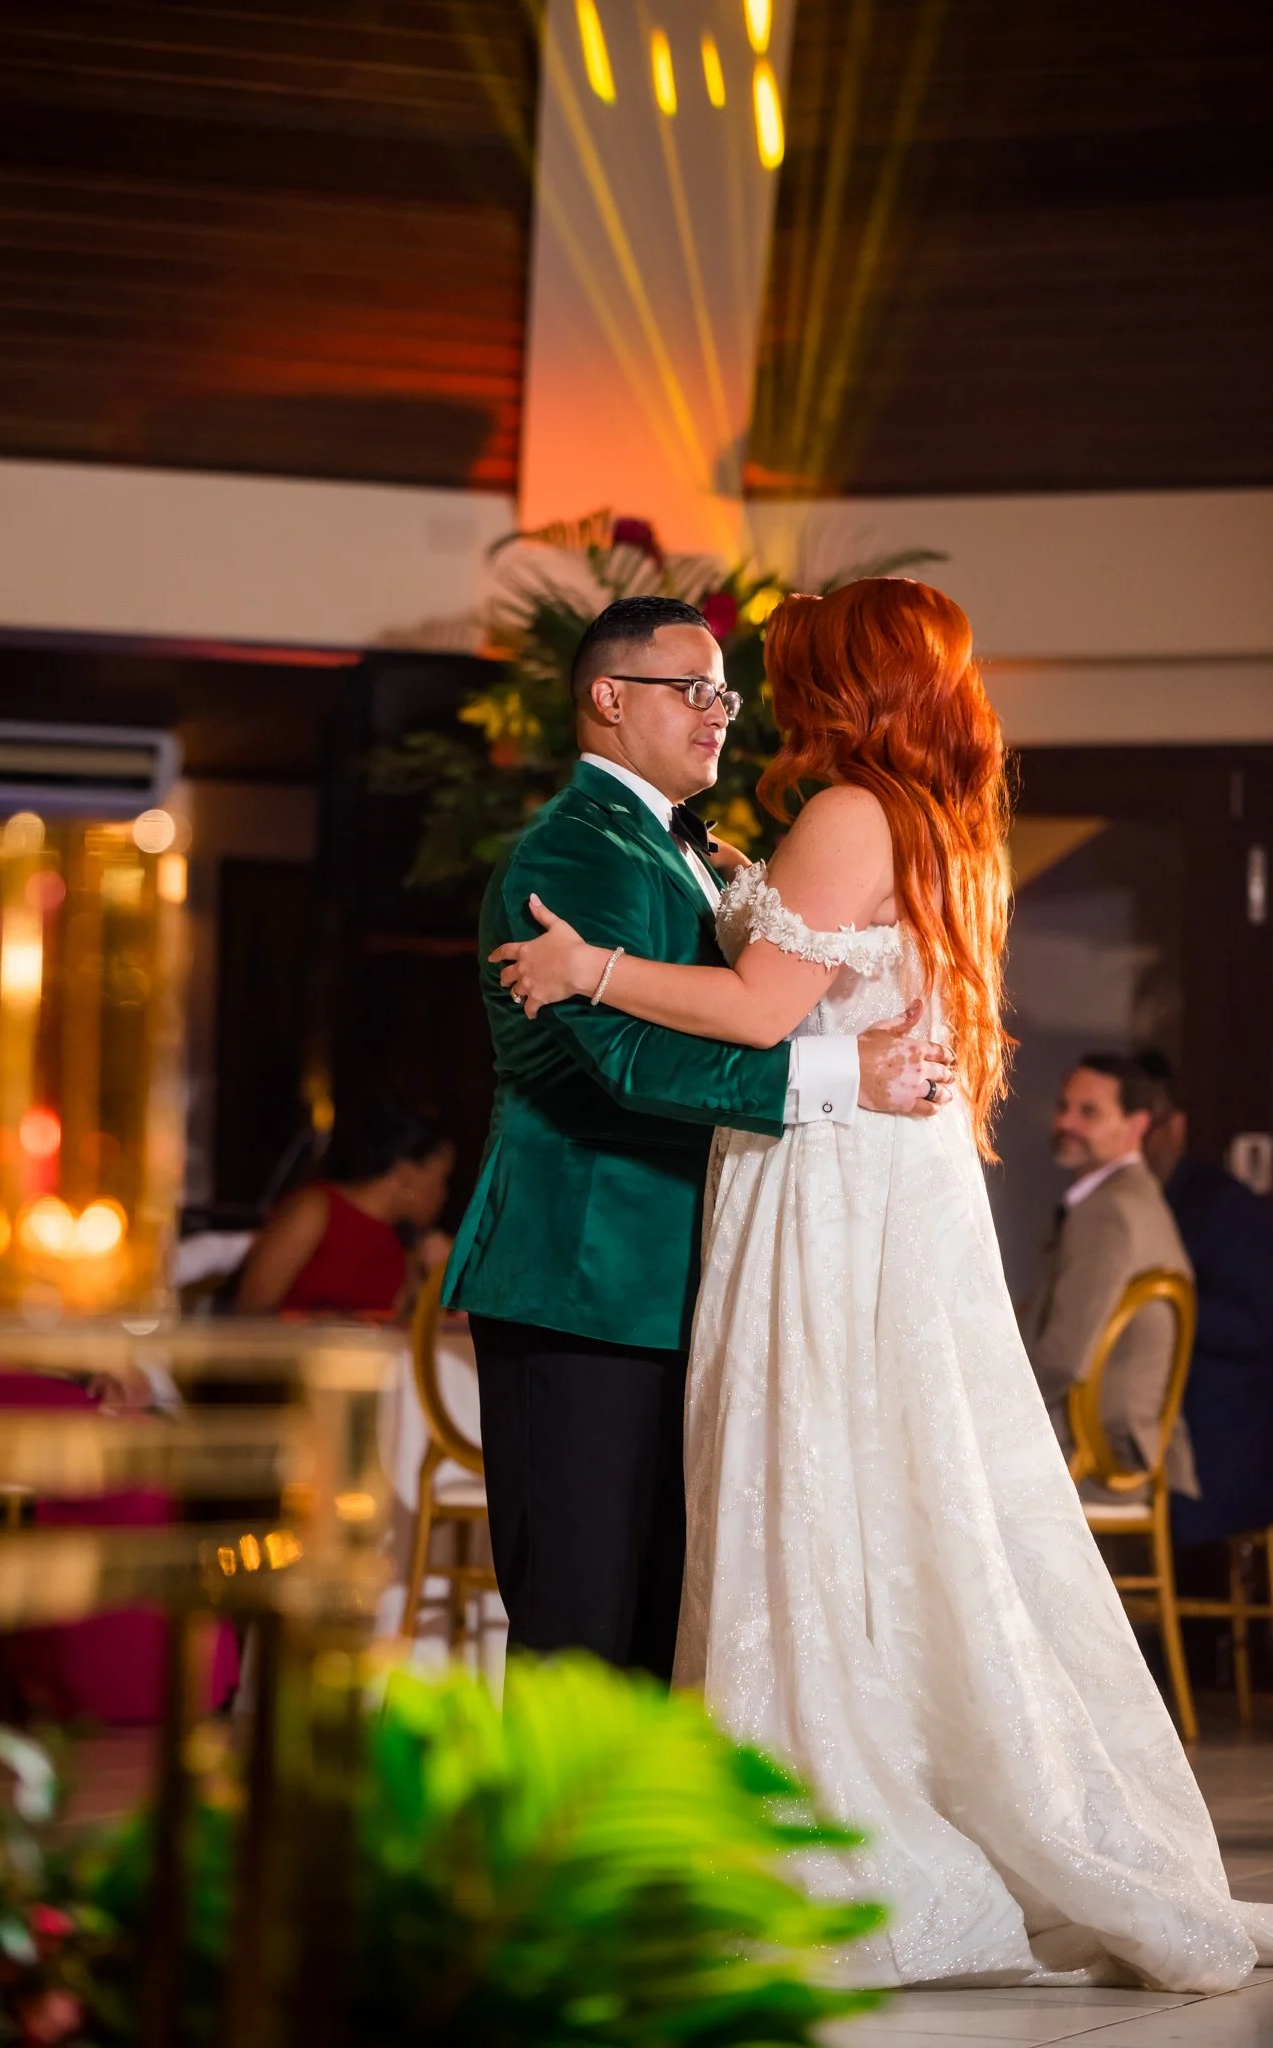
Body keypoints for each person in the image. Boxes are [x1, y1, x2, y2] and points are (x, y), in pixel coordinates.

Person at [492, 578, 1273, 1991]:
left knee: (816, 1481)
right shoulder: (938, 821)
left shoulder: (849, 811)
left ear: (848, 681)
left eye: (780, 675)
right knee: (874, 1490)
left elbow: (755, 1008)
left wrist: (591, 967)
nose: (756, 706)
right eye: (722, 688)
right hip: (871, 1172)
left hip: (826, 1180)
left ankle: (816, 1819)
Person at [443, 593, 954, 1688]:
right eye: (694, 689)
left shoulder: (685, 850)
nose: (720, 711)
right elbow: (630, 1061)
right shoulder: (571, 849)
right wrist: (838, 1076)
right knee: (580, 1619)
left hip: (684, 1283)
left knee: (661, 1622)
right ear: (608, 697)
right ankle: (552, 1862)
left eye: (725, 691)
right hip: (583, 1275)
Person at [1018, 1053, 1197, 1498]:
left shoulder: (1108, 1212)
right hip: (1123, 1443)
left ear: (1137, 1125)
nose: (1067, 1123)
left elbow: (1062, 1356)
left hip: (1097, 1453)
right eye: (1064, 1107)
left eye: (1089, 1112)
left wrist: (988, 1412)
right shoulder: (1137, 1197)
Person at [1138, 1052, 1273, 1545]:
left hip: (1213, 1449)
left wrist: (1157, 1308)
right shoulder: (1096, 1210)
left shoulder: (1224, 1210)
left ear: (1174, 1127)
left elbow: (1256, 1331)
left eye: (1144, 1122)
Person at [237, 1100, 453, 1316]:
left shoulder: (404, 1246)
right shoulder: (317, 1209)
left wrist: (434, 1277)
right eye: (442, 1179)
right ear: (406, 1173)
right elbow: (250, 1309)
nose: (444, 1195)